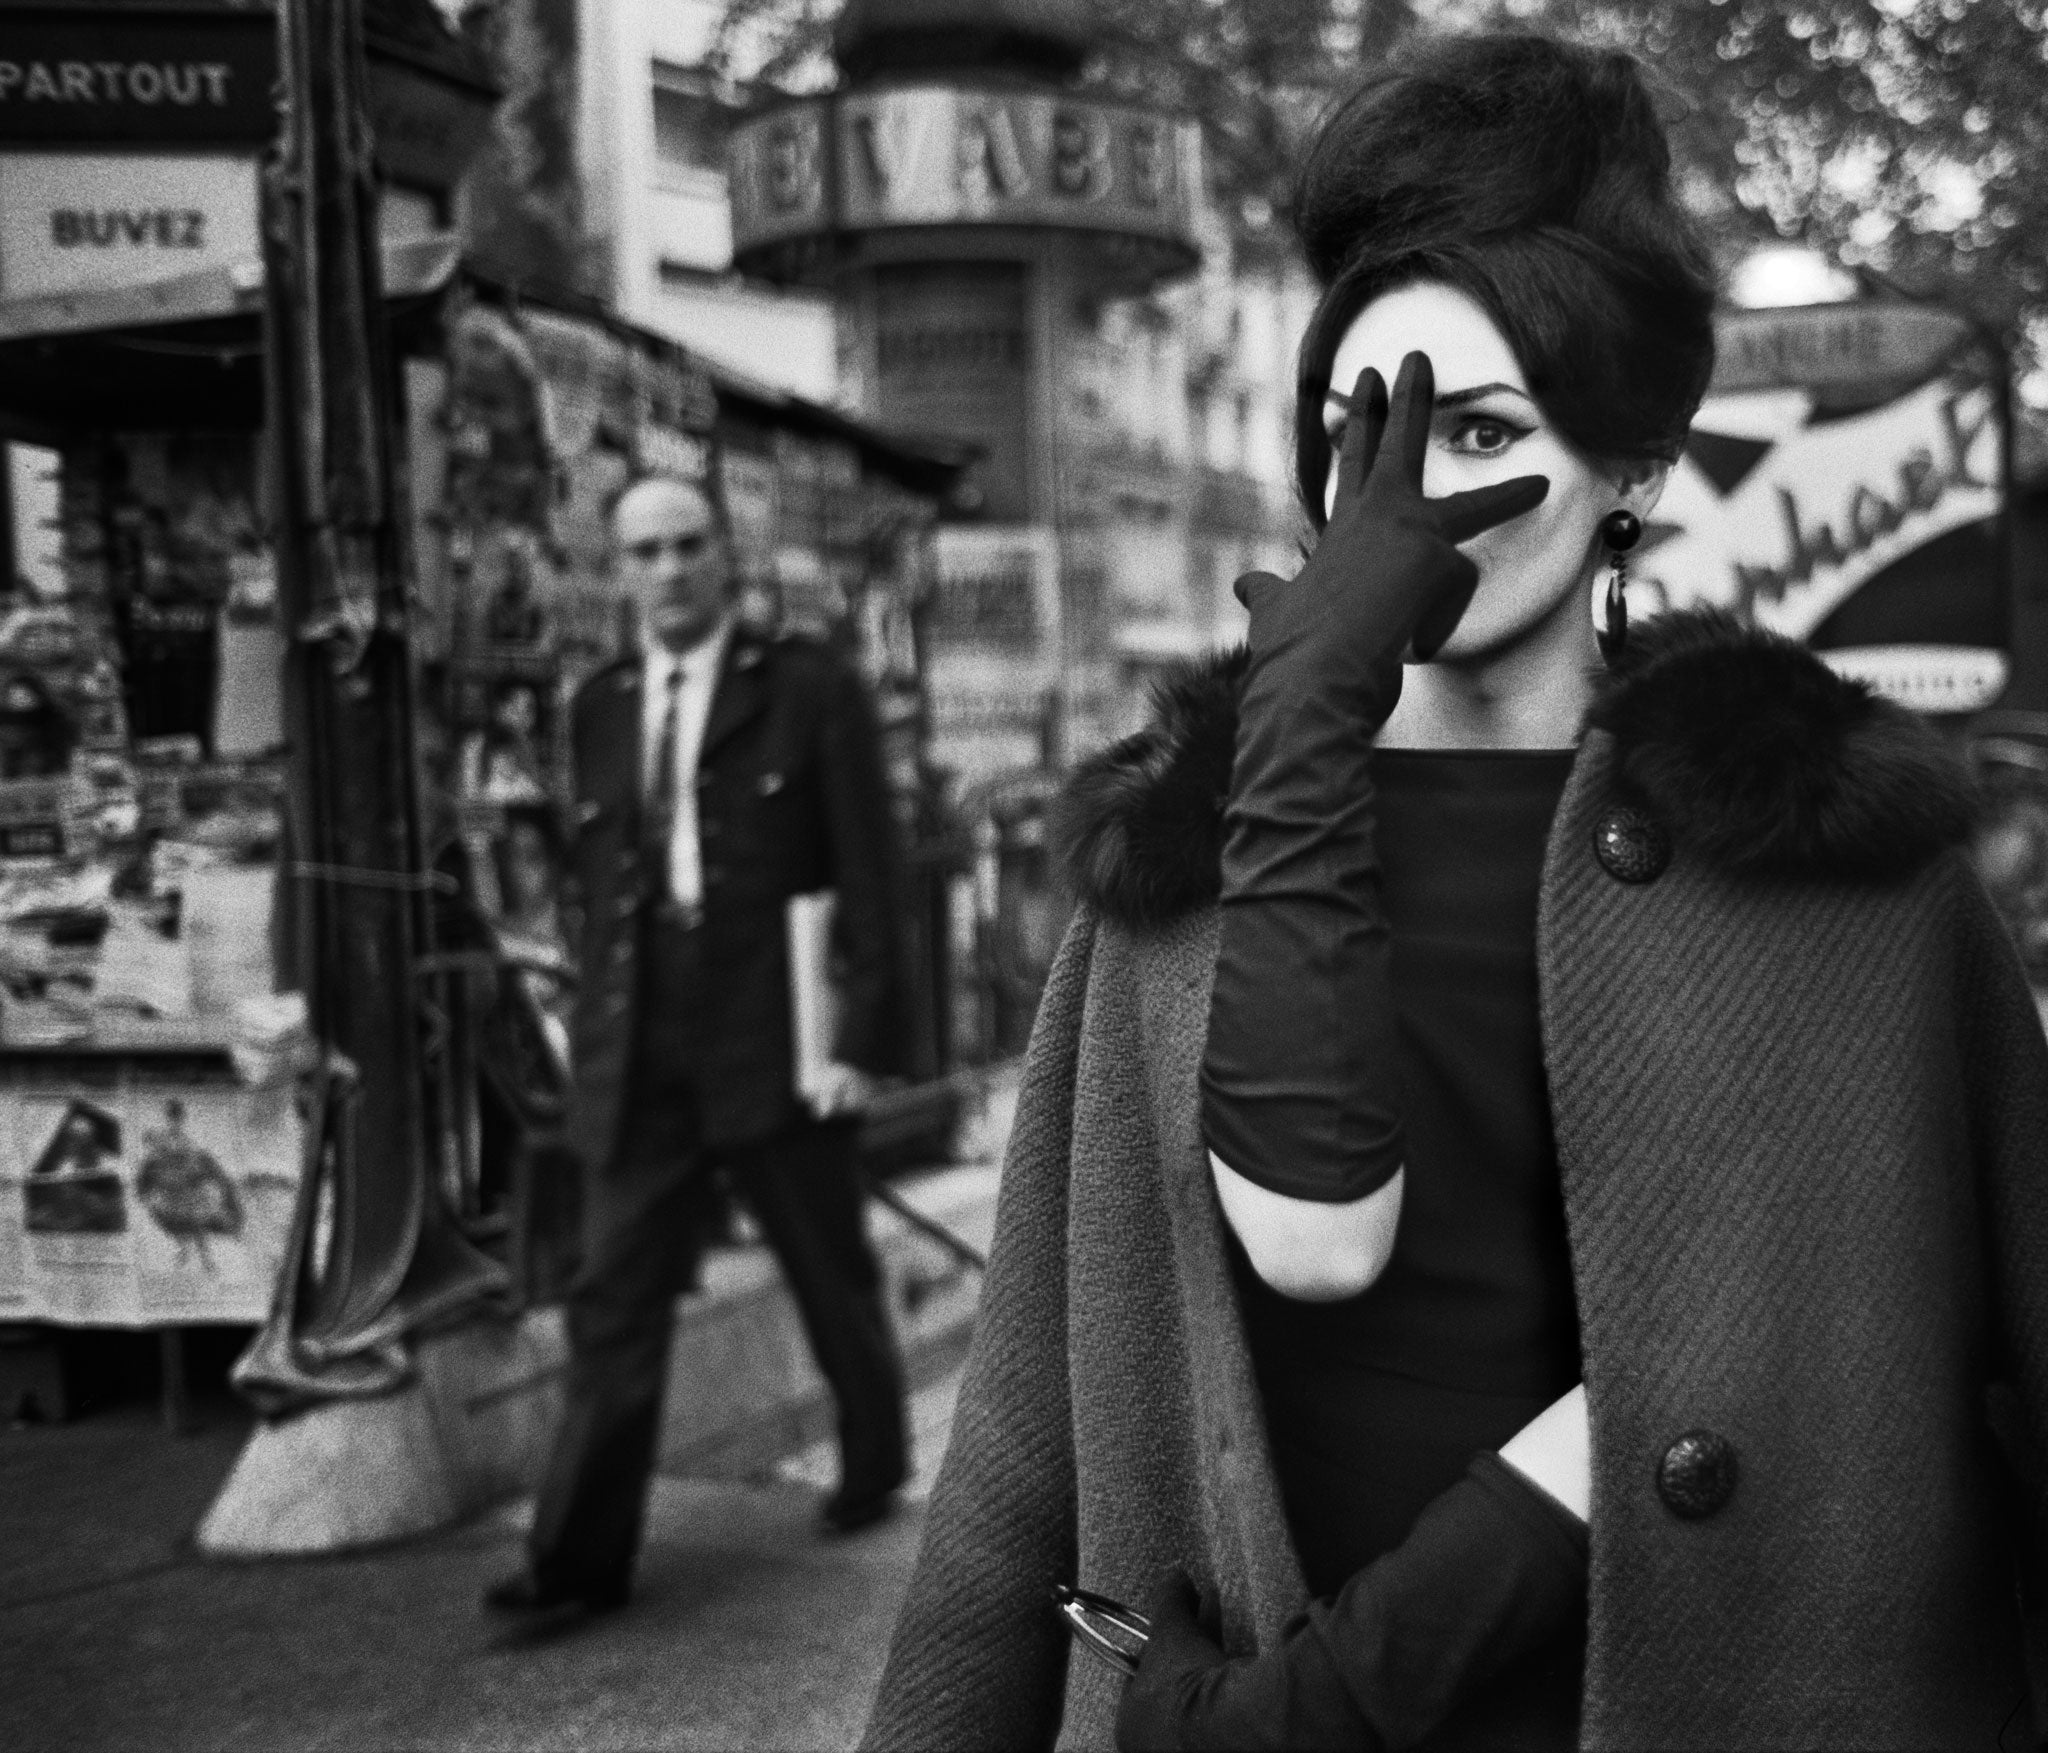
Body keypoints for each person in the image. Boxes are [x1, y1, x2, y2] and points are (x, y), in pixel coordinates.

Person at [862, 32, 2048, 1752]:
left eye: (1475, 429)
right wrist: (1294, 731)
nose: (1400, 504)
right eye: (1355, 434)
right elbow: (1018, 1462)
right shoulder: (1174, 884)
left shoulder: (1844, 869)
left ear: (1633, 465)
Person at [485, 474, 912, 1621]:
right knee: (611, 1295)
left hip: (775, 1033)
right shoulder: (602, 706)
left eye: (687, 546)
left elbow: (872, 872)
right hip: (640, 1046)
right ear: (616, 569)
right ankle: (574, 1564)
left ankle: (873, 1461)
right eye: (644, 552)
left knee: (830, 1269)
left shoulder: (808, 690)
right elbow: (595, 886)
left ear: (725, 555)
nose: (667, 570)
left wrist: (859, 1039)